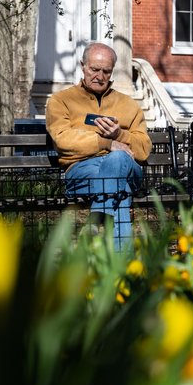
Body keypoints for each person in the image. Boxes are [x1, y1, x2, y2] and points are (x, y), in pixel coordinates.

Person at [46, 42, 151, 247]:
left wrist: (120, 134)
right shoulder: (61, 101)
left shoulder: (128, 105)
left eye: (106, 71)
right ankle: (122, 266)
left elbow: (144, 149)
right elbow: (62, 139)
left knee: (119, 159)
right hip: (82, 172)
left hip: (128, 169)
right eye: (94, 69)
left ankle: (96, 217)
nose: (100, 76)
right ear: (83, 66)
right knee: (120, 190)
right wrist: (106, 143)